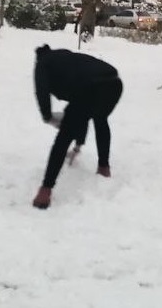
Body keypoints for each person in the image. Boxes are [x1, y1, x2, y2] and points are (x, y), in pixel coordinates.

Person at [31, 45, 124, 210]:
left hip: (91, 88)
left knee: (63, 137)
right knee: (99, 118)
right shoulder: (65, 58)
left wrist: (48, 117)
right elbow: (82, 112)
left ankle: (45, 190)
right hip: (114, 84)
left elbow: (41, 92)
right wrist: (78, 144)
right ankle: (104, 168)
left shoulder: (43, 64)